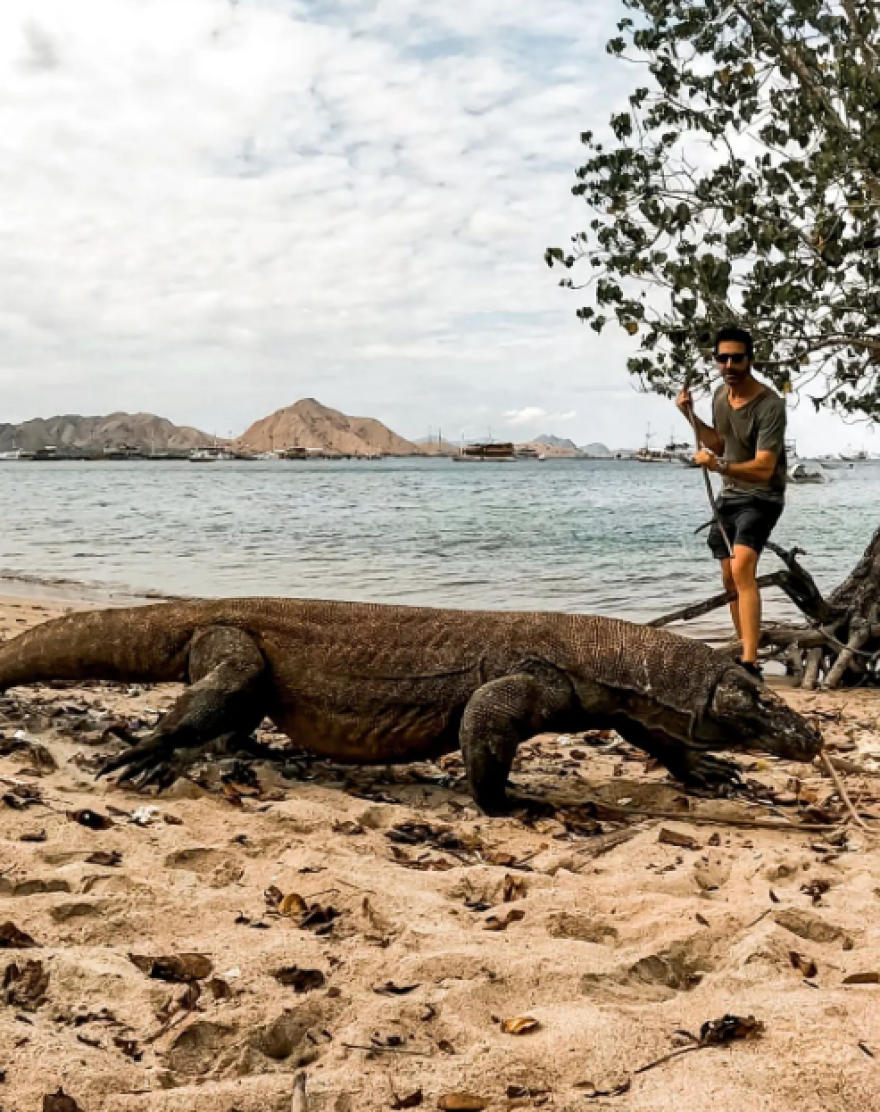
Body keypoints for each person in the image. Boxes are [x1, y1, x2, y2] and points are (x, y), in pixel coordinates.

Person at [676, 325, 787, 679]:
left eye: (736, 358)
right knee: (728, 578)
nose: (729, 364)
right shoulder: (720, 397)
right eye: (722, 358)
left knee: (742, 570)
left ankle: (751, 663)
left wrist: (719, 465)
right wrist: (690, 416)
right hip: (729, 496)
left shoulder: (770, 406)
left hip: (762, 496)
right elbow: (720, 444)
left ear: (749, 359)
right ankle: (744, 649)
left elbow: (765, 468)